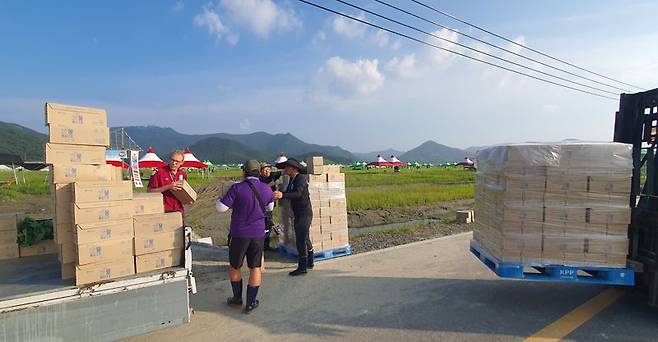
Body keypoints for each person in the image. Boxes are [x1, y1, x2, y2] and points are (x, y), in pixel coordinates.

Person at [216, 160, 274, 314]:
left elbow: (221, 208)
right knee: (255, 267)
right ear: (259, 172)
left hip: (239, 234)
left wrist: (219, 199)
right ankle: (250, 302)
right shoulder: (267, 189)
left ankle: (237, 299)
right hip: (258, 234)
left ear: (244, 172)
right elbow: (270, 207)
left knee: (235, 266)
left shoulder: (237, 188)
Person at [273, 158, 314, 276]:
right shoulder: (292, 179)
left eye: (287, 167)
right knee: (305, 237)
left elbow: (298, 193)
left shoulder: (300, 178)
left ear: (294, 168)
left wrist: (283, 195)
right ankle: (310, 262)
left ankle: (302, 267)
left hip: (304, 214)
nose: (285, 169)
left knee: (300, 240)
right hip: (299, 213)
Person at [259, 163, 282, 251]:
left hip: (271, 205)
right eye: (265, 170)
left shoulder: (273, 175)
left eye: (268, 169)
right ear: (261, 171)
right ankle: (264, 246)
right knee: (266, 224)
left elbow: (282, 172)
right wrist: (271, 184)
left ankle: (266, 245)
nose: (267, 171)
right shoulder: (259, 179)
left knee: (268, 224)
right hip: (262, 205)